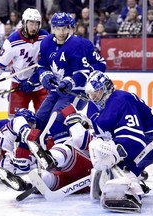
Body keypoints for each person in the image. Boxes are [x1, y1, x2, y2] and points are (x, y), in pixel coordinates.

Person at [82, 71, 153, 212]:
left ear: (106, 88)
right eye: (91, 94)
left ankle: (132, 190)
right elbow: (104, 136)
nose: (94, 97)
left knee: (125, 168)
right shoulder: (93, 106)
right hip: (141, 138)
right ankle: (135, 177)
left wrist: (116, 154)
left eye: (97, 92)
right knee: (111, 161)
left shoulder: (121, 99)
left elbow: (135, 140)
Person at [35, 12, 105, 144]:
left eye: (64, 28)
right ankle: (41, 148)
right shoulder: (46, 43)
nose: (61, 32)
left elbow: (97, 65)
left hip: (76, 91)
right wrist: (45, 75)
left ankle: (64, 154)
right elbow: (42, 65)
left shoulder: (79, 44)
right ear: (53, 28)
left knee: (57, 120)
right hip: (57, 90)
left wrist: (71, 81)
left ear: (70, 27)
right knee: (39, 119)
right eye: (57, 28)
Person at [0, 106, 93, 194]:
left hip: (88, 169)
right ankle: (25, 184)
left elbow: (82, 139)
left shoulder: (91, 135)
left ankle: (50, 158)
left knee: (65, 149)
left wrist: (74, 121)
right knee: (44, 177)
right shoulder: (23, 142)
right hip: (71, 179)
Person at [0, 8, 49, 118]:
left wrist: (35, 80)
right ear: (24, 23)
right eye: (31, 23)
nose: (34, 27)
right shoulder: (12, 41)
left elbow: (50, 61)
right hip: (19, 85)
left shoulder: (45, 37)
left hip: (41, 85)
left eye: (37, 24)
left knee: (45, 119)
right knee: (15, 121)